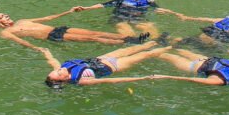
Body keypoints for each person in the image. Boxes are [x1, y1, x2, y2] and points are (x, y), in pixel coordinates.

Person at [0, 10, 148, 52]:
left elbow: (48, 18)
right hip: (52, 36)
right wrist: (35, 48)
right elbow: (20, 41)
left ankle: (131, 39)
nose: (7, 16)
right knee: (94, 39)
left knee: (93, 33)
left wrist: (68, 12)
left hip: (57, 29)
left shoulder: (23, 21)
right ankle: (125, 42)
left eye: (5, 14)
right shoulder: (5, 33)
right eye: (2, 16)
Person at [41, 41, 171, 88]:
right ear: (64, 79)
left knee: (129, 49)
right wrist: (144, 77)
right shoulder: (82, 80)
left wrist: (45, 52)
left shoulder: (62, 69)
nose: (59, 69)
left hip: (101, 59)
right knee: (144, 55)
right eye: (59, 73)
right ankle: (171, 47)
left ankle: (158, 41)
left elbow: (53, 61)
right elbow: (111, 81)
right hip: (114, 66)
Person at [155, 5, 229, 60]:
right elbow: (208, 19)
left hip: (210, 48)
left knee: (184, 51)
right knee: (176, 41)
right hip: (197, 40)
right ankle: (161, 49)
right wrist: (187, 18)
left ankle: (161, 51)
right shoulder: (225, 20)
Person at [72, 0, 160, 38]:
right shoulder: (121, 0)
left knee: (151, 28)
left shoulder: (148, 2)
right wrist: (85, 8)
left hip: (137, 19)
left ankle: (155, 43)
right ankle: (137, 44)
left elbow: (160, 10)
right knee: (130, 34)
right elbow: (103, 5)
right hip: (120, 19)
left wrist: (173, 13)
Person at [151, 47, 229, 90]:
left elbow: (192, 80)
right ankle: (160, 45)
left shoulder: (219, 80)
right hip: (205, 59)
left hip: (192, 66)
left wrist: (165, 76)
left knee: (167, 55)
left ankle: (150, 52)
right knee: (178, 49)